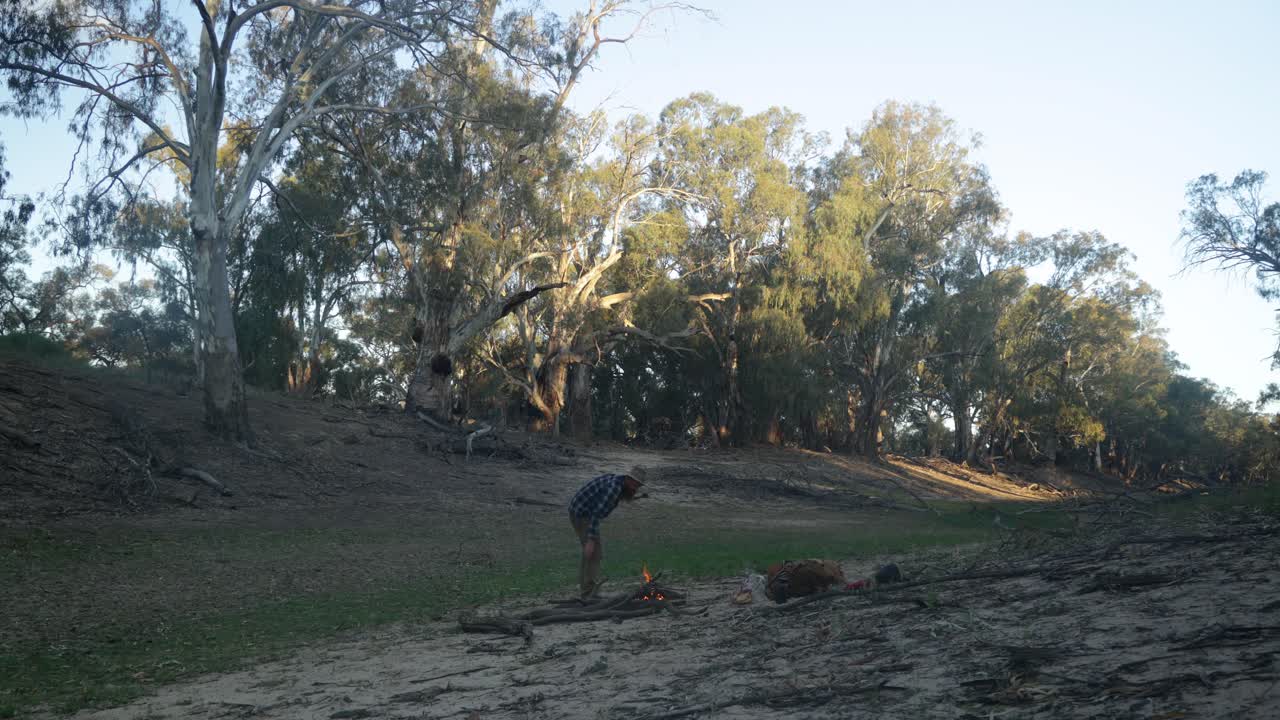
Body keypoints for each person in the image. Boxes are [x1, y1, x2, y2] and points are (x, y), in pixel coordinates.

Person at [568, 467, 647, 599]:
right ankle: (589, 593)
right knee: (594, 553)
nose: (636, 489)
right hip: (582, 514)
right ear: (629, 479)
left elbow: (617, 498)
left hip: (580, 510)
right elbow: (595, 514)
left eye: (638, 486)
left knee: (590, 554)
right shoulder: (613, 489)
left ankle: (587, 590)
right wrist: (591, 540)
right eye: (635, 485)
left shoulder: (619, 482)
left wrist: (637, 498)